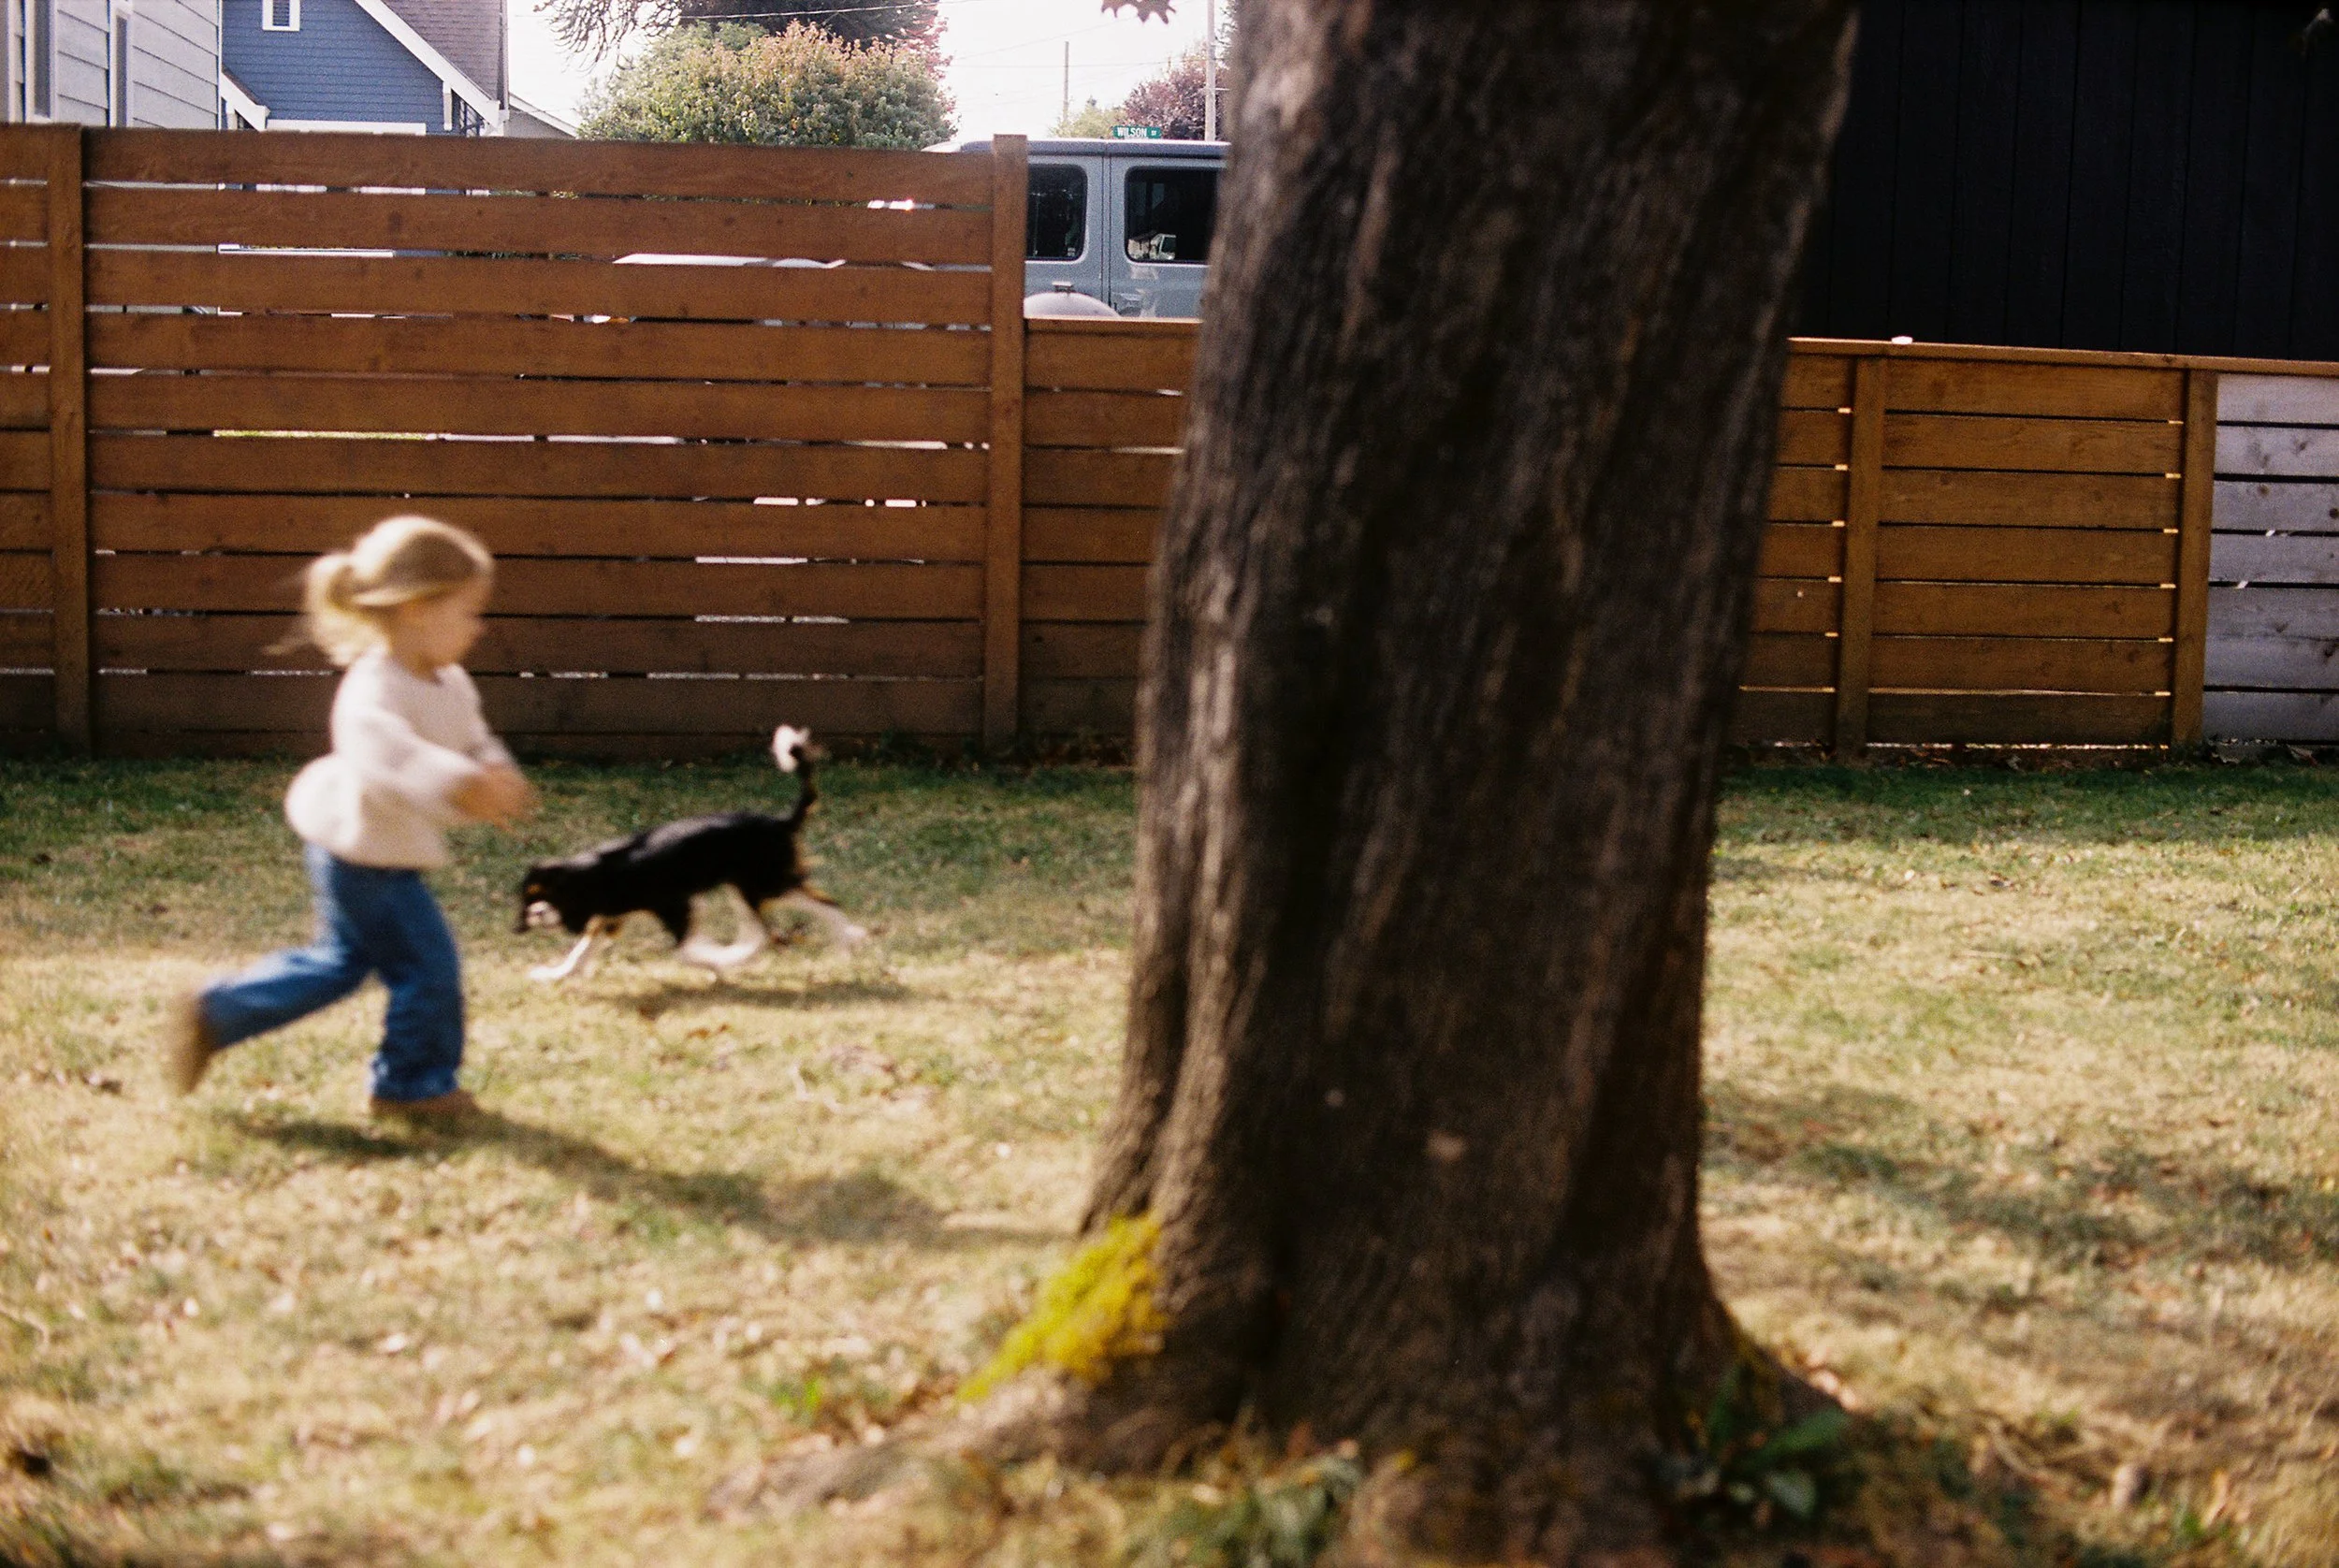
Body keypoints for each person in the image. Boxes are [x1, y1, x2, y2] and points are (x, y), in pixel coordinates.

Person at [166, 515, 535, 1119]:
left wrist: (492, 769)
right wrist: (459, 784)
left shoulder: (451, 682)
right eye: (468, 612)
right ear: (417, 608)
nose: (479, 627)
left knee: (337, 965)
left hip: (380, 851)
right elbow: (389, 754)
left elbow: (472, 737)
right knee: (428, 967)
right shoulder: (372, 690)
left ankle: (217, 1013)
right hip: (361, 855)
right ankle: (412, 1089)